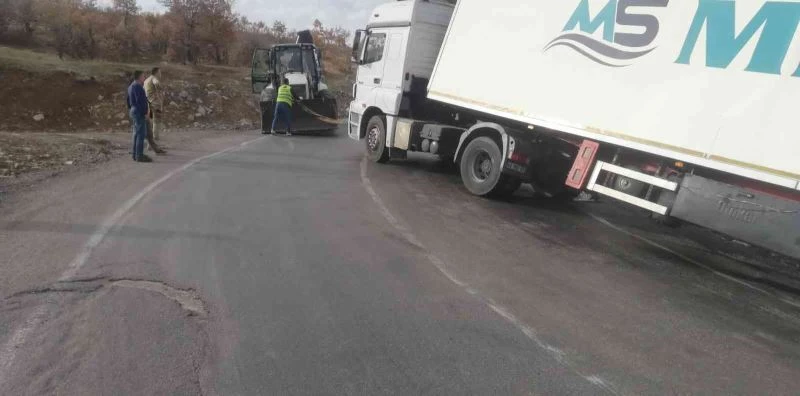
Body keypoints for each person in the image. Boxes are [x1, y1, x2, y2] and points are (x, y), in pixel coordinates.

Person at [127, 71, 151, 163]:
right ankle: (139, 156)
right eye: (143, 76)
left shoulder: (130, 86)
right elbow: (140, 101)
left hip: (133, 110)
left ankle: (135, 154)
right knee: (141, 134)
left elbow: (128, 100)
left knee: (136, 133)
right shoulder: (137, 87)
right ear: (139, 77)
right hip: (138, 111)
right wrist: (145, 112)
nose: (144, 77)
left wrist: (131, 109)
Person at [143, 67, 166, 154]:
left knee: (150, 124)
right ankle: (153, 144)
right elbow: (157, 84)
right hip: (155, 105)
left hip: (148, 104)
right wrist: (161, 89)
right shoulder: (154, 79)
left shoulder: (146, 81)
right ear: (156, 73)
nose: (160, 74)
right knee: (156, 124)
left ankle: (150, 144)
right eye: (160, 72)